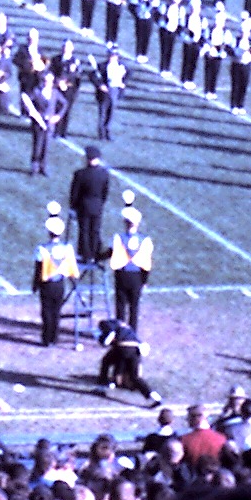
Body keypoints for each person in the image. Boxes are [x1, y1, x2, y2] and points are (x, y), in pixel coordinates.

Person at [32, 209, 78, 347]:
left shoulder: (42, 249)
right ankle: (54, 338)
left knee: (46, 311)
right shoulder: (67, 248)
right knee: (57, 311)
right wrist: (74, 281)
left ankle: (46, 339)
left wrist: (35, 284)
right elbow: (71, 266)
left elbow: (38, 269)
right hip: (60, 283)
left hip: (47, 284)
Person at [108, 198, 152, 329]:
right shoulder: (145, 240)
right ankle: (132, 333)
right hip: (137, 276)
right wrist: (144, 281)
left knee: (120, 305)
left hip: (121, 274)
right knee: (134, 306)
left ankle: (119, 332)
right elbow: (147, 264)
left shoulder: (118, 238)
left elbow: (110, 252)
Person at [65, 145, 110, 263]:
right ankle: (94, 253)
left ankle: (85, 254)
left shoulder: (80, 174)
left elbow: (74, 193)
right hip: (98, 205)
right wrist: (100, 203)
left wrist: (73, 206)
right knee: (95, 230)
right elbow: (105, 192)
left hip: (84, 206)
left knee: (84, 230)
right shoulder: (104, 174)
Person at [98, 317, 159, 402]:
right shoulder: (126, 327)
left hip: (123, 346)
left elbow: (108, 337)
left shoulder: (106, 323)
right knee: (135, 377)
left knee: (106, 361)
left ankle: (102, 387)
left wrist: (103, 341)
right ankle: (155, 397)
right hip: (136, 349)